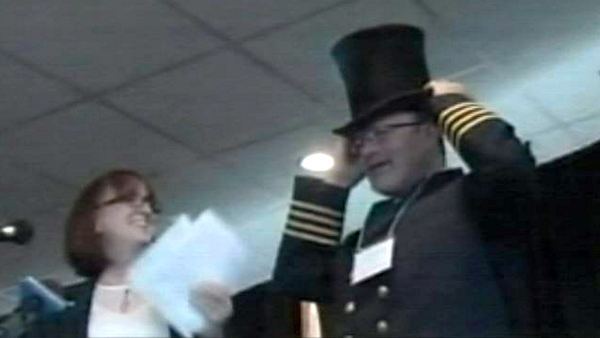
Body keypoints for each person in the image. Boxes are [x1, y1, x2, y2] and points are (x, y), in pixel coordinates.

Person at [273, 24, 540, 337]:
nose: (369, 149)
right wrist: (330, 187)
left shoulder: (475, 201)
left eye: (382, 133)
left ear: (429, 129)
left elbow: (509, 168)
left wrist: (451, 105)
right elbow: (297, 278)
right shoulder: (362, 240)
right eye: (359, 141)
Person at [23, 169, 233, 338]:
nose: (145, 209)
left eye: (148, 202)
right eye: (129, 199)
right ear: (97, 221)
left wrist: (211, 328)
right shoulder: (64, 316)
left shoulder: (183, 292)